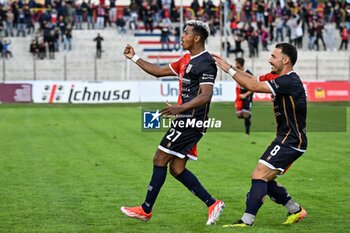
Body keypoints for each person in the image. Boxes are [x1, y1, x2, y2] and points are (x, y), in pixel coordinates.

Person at [120, 20, 225, 225]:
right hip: (184, 119)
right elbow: (158, 71)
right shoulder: (186, 60)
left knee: (159, 159)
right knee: (176, 169)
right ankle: (213, 203)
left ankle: (146, 209)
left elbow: (206, 95)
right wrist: (134, 57)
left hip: (191, 121)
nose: (181, 36)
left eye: (185, 33)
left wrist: (181, 108)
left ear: (196, 38)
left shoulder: (206, 63)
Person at [212, 43, 307, 227]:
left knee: (259, 175)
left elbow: (253, 85)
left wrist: (228, 71)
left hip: (292, 140)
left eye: (273, 56)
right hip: (286, 138)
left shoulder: (289, 80)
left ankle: (247, 221)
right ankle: (295, 210)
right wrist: (230, 67)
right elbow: (251, 78)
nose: (269, 59)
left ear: (285, 60)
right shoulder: (278, 77)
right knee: (265, 178)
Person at [234, 58, 254, 136]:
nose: (235, 65)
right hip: (241, 97)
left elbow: (254, 87)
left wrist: (245, 95)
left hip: (248, 97)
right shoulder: (238, 73)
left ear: (239, 64)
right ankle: (248, 114)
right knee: (239, 115)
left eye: (236, 63)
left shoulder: (248, 74)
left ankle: (247, 133)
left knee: (246, 115)